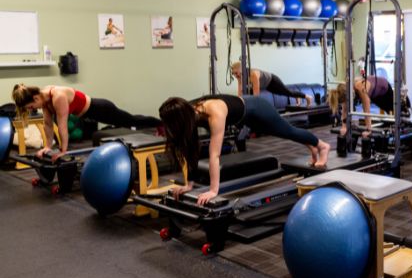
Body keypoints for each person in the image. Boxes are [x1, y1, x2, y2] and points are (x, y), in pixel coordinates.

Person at [159, 94, 330, 206]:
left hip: (256, 109)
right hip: (245, 117)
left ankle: (322, 146)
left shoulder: (214, 113)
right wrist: (189, 184)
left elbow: (214, 154)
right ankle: (312, 148)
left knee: (287, 131)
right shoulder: (189, 112)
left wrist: (213, 190)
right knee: (286, 133)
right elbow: (190, 148)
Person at [12, 84, 161, 162]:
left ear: (36, 98)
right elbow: (48, 124)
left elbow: (62, 126)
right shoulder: (44, 99)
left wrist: (63, 152)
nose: (32, 110)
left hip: (101, 109)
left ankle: (161, 123)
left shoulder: (57, 97)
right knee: (131, 121)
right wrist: (47, 147)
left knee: (131, 121)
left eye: (31, 107)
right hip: (91, 114)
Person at [328, 75, 406, 136]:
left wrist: (369, 130)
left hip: (384, 89)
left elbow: (366, 111)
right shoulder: (344, 89)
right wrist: (344, 126)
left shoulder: (360, 88)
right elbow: (344, 109)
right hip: (374, 93)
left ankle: (404, 103)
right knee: (388, 110)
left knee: (394, 109)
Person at [230, 62, 312, 107]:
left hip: (272, 81)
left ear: (241, 69)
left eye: (236, 73)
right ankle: (296, 95)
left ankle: (307, 96)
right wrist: (239, 103)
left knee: (286, 92)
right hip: (266, 85)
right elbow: (240, 91)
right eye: (234, 74)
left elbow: (256, 94)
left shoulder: (253, 74)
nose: (236, 76)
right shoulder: (240, 77)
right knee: (247, 92)